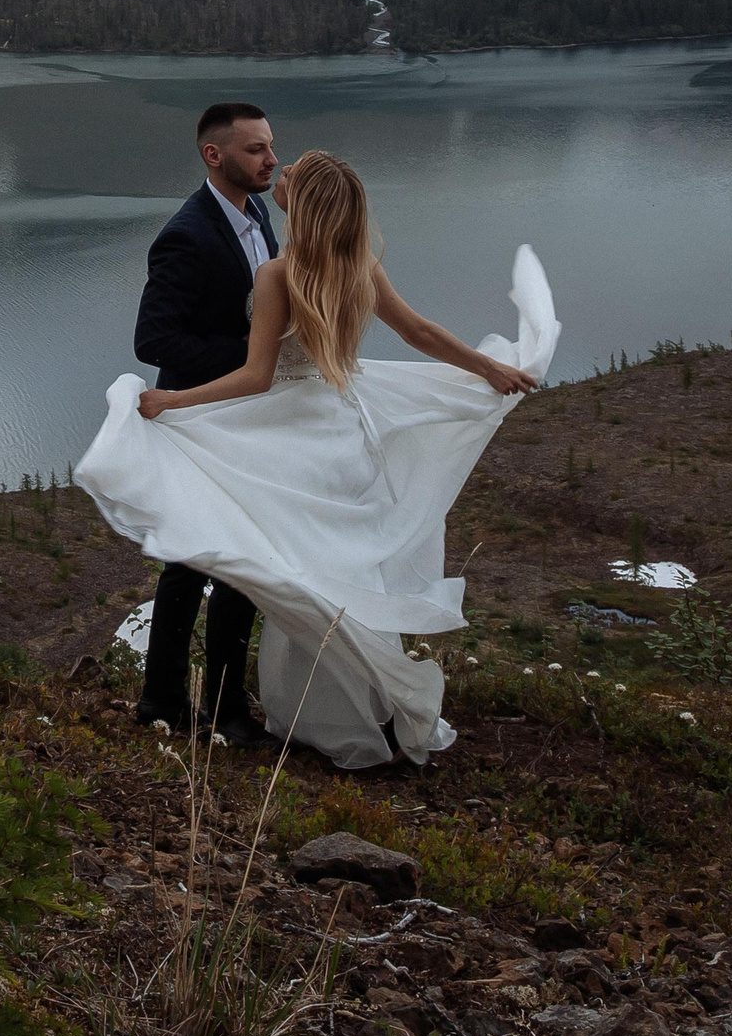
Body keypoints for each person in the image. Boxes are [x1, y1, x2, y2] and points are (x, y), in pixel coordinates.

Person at [80, 144, 557, 769]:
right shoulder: (359, 264)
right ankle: (358, 704)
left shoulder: (279, 274)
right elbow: (419, 332)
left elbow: (256, 377)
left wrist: (173, 401)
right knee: (341, 573)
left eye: (295, 175)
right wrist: (485, 366)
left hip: (290, 434)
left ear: (303, 203)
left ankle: (305, 711)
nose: (281, 174)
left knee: (274, 568)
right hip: (343, 433)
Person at [126, 102, 286, 746]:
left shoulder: (261, 216)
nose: (271, 159)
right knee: (191, 563)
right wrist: (257, 356)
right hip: (198, 418)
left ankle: (218, 705)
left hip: (246, 416)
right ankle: (168, 703)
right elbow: (153, 340)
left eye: (271, 146)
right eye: (255, 150)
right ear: (213, 156)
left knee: (241, 560)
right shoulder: (185, 236)